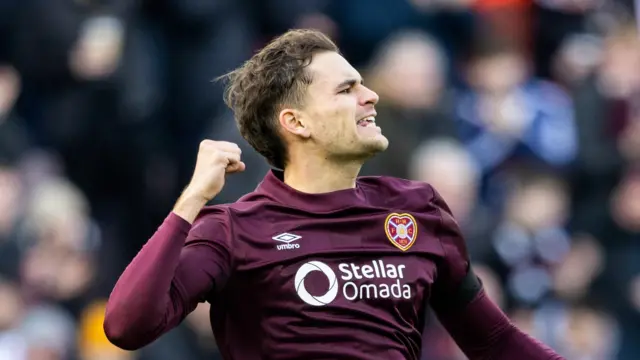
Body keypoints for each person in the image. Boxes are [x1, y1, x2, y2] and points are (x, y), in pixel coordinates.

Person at [103, 29, 564, 360]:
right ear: (296, 122)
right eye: (347, 89)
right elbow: (126, 326)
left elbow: (494, 342)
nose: (372, 96)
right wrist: (190, 202)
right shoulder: (233, 230)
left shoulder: (418, 210)